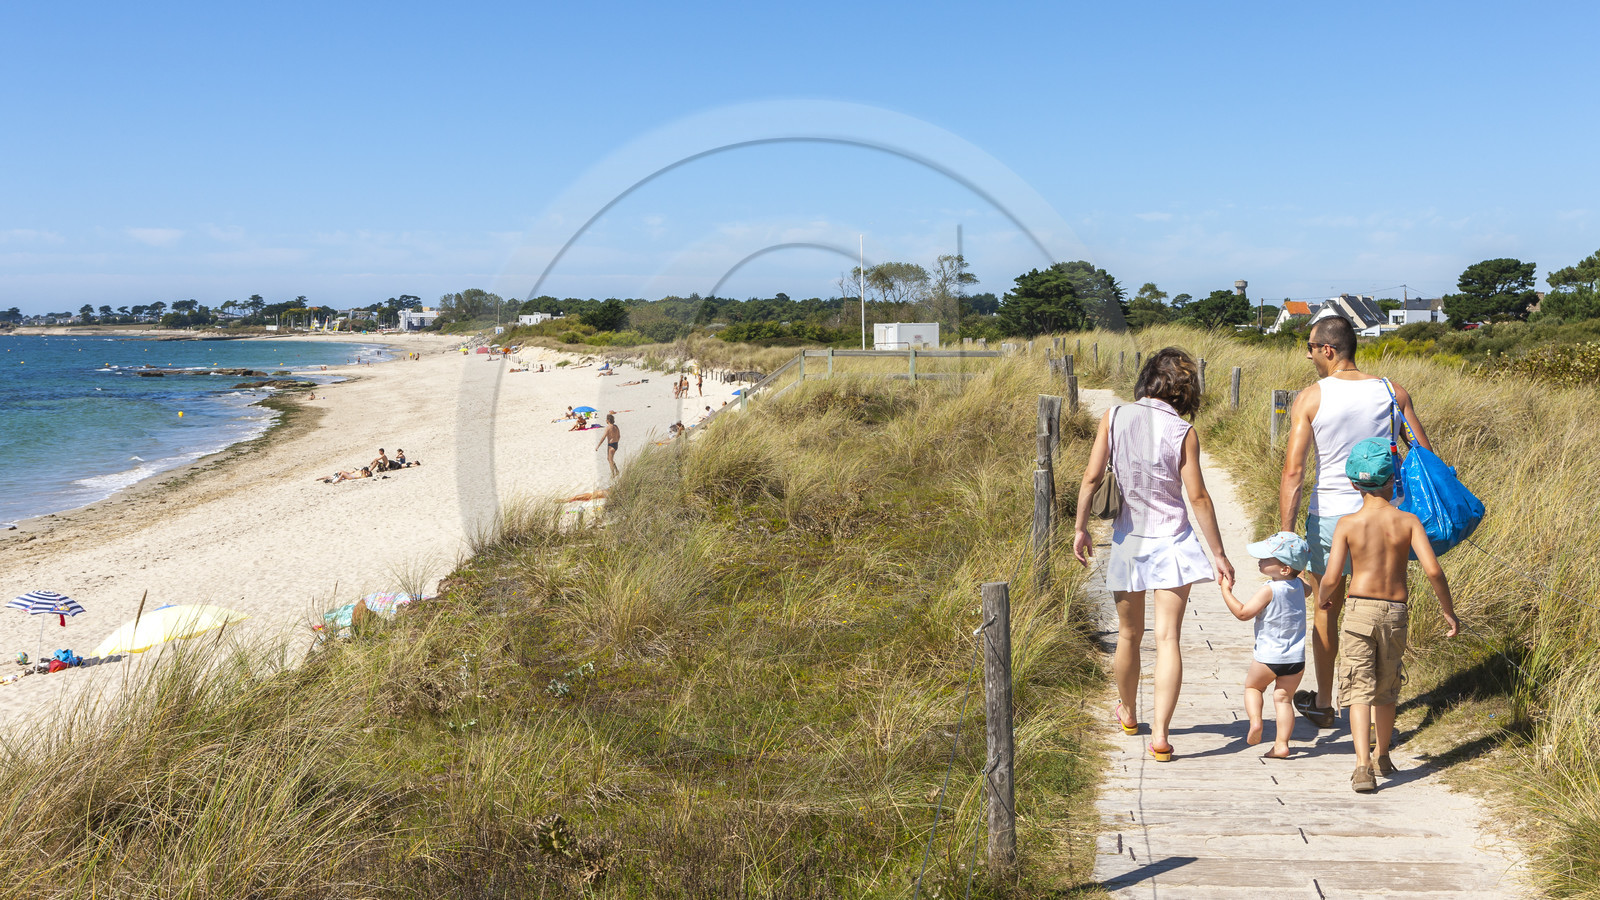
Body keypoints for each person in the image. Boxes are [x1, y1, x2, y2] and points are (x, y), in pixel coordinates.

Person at [1073, 347, 1235, 762]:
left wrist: (1080, 528)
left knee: (1128, 635)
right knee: (1168, 640)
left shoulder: (1113, 417)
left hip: (1131, 540)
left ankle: (1128, 714)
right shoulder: (1184, 431)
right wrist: (1218, 553)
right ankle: (1160, 735)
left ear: (1148, 378)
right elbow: (1197, 497)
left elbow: (1092, 478)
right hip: (1174, 542)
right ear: (1185, 389)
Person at [1281, 315, 1433, 729]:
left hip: (1330, 515)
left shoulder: (1311, 397)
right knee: (1384, 601)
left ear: (1327, 350)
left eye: (1311, 349)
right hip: (1385, 517)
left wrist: (1286, 532)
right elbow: (1424, 451)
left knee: (1326, 606)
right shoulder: (1391, 391)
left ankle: (1327, 702)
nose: (1310, 356)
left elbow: (1293, 472)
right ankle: (1382, 697)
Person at [1321, 438, 1458, 792]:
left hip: (1359, 610)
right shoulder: (1409, 521)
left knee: (1357, 687)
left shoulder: (1347, 524)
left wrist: (1323, 599)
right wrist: (1448, 610)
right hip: (1396, 612)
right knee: (1387, 684)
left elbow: (1333, 576)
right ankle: (1382, 753)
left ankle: (1362, 766)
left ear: (1353, 483)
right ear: (1393, 479)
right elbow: (1433, 571)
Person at [1219, 532, 1311, 760]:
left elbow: (1242, 613)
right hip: (1295, 660)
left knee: (1253, 688)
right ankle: (1281, 745)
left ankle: (1256, 721)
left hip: (1268, 658)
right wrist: (1298, 573)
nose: (1260, 561)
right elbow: (1309, 587)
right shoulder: (1299, 586)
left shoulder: (1269, 590)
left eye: (1267, 559)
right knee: (1283, 700)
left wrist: (1225, 591)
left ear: (1285, 569)